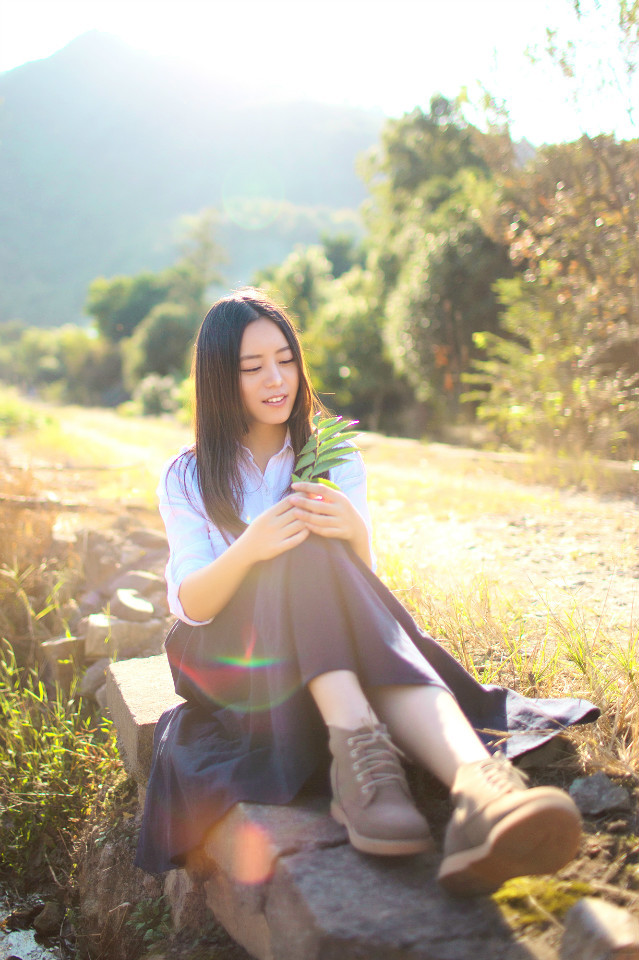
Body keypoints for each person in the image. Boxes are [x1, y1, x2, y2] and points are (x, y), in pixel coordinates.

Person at [135, 288, 599, 896]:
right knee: (296, 542)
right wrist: (255, 545)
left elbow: (362, 595)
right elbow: (191, 603)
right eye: (253, 368)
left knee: (319, 546)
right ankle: (375, 771)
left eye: (286, 360)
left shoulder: (331, 449)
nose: (277, 380)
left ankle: (481, 791)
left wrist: (354, 532)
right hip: (233, 661)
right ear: (221, 379)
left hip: (330, 651)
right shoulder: (189, 474)